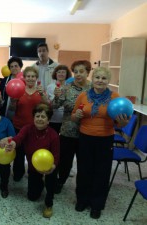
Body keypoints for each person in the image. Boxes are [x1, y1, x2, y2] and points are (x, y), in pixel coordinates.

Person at [71, 67, 128, 219]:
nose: (100, 81)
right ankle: (82, 200)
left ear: (108, 81)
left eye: (103, 78)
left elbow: (120, 124)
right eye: (97, 77)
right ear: (93, 79)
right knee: (84, 170)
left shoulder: (115, 97)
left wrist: (123, 123)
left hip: (105, 139)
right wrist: (76, 115)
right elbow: (73, 117)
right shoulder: (83, 96)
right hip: (85, 138)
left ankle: (97, 204)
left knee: (101, 172)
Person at [4, 103, 60, 218]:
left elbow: (56, 156)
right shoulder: (27, 129)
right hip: (33, 167)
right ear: (33, 118)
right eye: (37, 116)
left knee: (50, 186)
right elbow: (18, 138)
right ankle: (40, 183)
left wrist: (51, 169)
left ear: (48, 120)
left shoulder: (53, 135)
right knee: (32, 197)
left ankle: (49, 203)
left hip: (50, 168)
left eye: (43, 117)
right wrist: (13, 144)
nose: (40, 119)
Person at [52, 60, 92, 194]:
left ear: (88, 72)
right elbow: (55, 106)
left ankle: (82, 188)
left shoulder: (93, 89)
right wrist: (56, 98)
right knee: (64, 161)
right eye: (76, 72)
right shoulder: (66, 88)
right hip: (68, 131)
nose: (78, 74)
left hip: (87, 132)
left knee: (84, 162)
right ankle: (60, 181)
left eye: (82, 71)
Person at [10, 66, 48, 181]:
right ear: (24, 78)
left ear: (36, 78)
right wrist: (13, 100)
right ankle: (18, 174)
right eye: (28, 76)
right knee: (19, 153)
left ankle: (34, 175)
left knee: (33, 152)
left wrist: (42, 95)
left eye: (33, 76)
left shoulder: (40, 91)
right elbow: (12, 109)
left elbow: (47, 107)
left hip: (35, 128)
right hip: (19, 127)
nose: (30, 78)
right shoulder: (18, 90)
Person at [46, 65, 72, 133]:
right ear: (55, 74)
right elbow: (47, 103)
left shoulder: (69, 87)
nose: (61, 74)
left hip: (65, 120)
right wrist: (55, 97)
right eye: (59, 72)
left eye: (63, 72)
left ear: (67, 74)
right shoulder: (50, 87)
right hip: (52, 119)